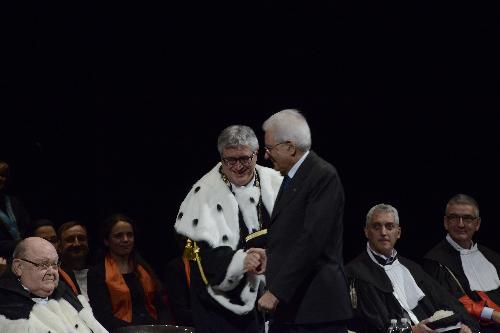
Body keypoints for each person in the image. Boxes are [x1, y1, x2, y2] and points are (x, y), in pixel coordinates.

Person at [174, 125, 283, 333]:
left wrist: (273, 257)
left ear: (256, 155)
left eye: (244, 159)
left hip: (274, 294)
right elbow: (202, 255)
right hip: (221, 306)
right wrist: (240, 261)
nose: (238, 166)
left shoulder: (276, 183)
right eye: (230, 160)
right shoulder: (203, 195)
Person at [257, 109, 352, 333]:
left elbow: (312, 241)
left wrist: (276, 291)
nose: (266, 155)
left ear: (290, 147)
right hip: (295, 310)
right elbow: (291, 234)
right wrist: (271, 255)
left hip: (316, 312)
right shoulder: (293, 177)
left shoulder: (322, 176)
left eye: (270, 148)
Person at [346, 203, 478, 333]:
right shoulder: (355, 274)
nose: (383, 232)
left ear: (398, 233)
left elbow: (448, 301)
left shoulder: (412, 268)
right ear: (366, 232)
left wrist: (467, 327)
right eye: (376, 226)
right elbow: (369, 325)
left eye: (389, 226)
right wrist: (411, 331)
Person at [423, 194, 500, 332]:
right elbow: (453, 304)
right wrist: (492, 314)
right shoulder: (435, 262)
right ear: (446, 222)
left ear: (477, 224)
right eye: (454, 218)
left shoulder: (492, 257)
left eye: (467, 218)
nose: (460, 224)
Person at [0, 237, 108, 333]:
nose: (52, 271)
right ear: (19, 267)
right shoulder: (7, 310)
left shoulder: (64, 291)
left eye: (55, 264)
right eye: (43, 264)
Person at [87, 213, 172, 332]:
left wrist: (163, 328)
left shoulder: (144, 269)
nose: (126, 239)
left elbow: (161, 307)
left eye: (129, 235)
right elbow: (104, 317)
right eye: (119, 236)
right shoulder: (97, 273)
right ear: (107, 241)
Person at [0, 160, 32, 257]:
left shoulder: (13, 202)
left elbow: (28, 226)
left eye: (3, 175)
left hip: (24, 255)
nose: (1, 178)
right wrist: (18, 244)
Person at [58, 220, 91, 301]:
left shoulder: (101, 274)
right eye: (70, 240)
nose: (77, 244)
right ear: (59, 246)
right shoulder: (54, 278)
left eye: (81, 238)